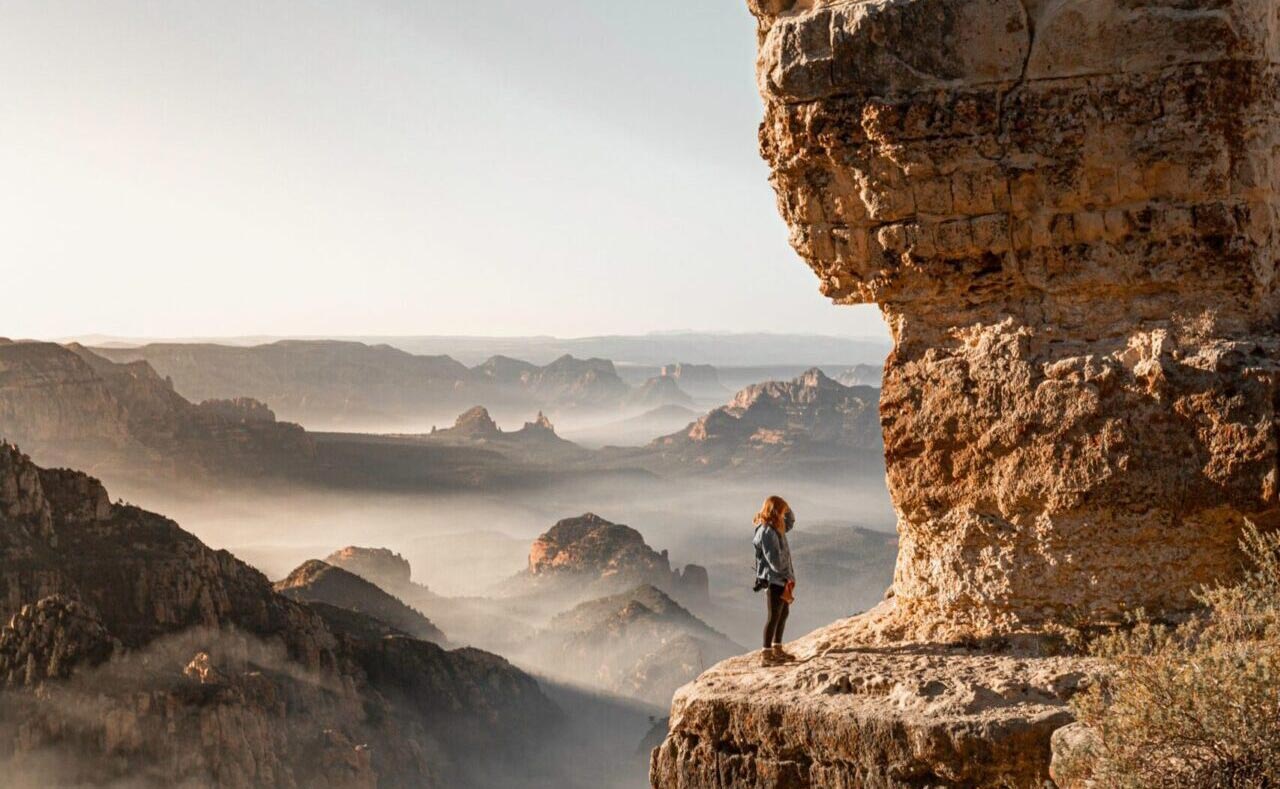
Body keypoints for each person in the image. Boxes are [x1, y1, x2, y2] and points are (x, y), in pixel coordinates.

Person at [752, 495, 796, 665]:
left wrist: (788, 508)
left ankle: (777, 649)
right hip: (775, 580)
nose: (784, 514)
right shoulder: (767, 532)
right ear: (776, 511)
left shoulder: (778, 526)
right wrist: (787, 575)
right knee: (773, 616)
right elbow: (775, 562)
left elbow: (790, 522)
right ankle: (766, 654)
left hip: (783, 579)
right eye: (782, 510)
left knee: (783, 614)